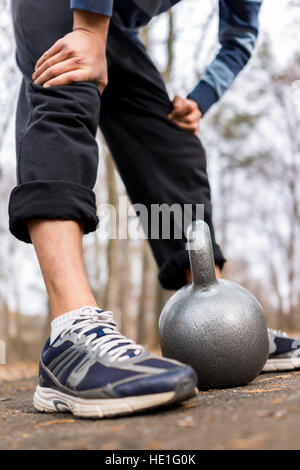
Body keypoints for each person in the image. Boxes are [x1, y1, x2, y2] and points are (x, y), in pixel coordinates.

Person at [9, 0, 300, 418]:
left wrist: (201, 98)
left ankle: (216, 318)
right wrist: (89, 31)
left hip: (111, 23)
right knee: (67, 82)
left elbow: (239, 38)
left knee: (172, 140)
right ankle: (70, 334)